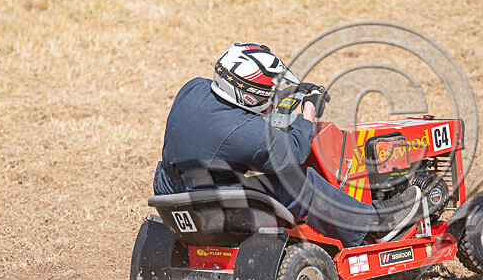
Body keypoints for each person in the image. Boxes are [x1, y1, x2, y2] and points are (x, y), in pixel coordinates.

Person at [153, 42, 421, 247]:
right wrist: (307, 111)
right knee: (303, 182)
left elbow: (245, 128)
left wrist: (277, 108)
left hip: (172, 193)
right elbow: (293, 151)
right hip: (215, 212)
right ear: (248, 97)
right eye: (267, 91)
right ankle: (375, 225)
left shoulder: (192, 89)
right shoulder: (244, 134)